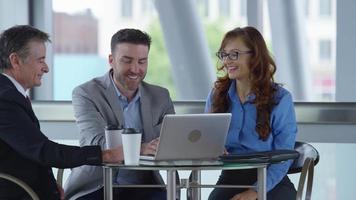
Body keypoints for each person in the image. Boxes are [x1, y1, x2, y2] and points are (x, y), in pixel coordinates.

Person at [0, 25, 123, 200]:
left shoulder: (11, 95)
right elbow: (42, 150)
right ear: (15, 61)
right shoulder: (5, 99)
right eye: (40, 60)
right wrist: (105, 154)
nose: (46, 68)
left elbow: (28, 150)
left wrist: (49, 184)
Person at [64, 28, 175, 200]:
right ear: (111, 60)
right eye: (127, 61)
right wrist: (141, 148)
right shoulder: (86, 93)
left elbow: (172, 142)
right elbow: (97, 143)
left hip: (145, 186)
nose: (135, 69)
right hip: (96, 185)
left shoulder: (160, 97)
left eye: (142, 61)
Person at [205, 26, 298, 200]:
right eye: (224, 55)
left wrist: (256, 191)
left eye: (234, 54)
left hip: (271, 179)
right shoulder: (217, 96)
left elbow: (284, 156)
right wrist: (213, 148)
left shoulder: (280, 99)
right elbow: (207, 140)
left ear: (255, 56)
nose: (227, 61)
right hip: (230, 178)